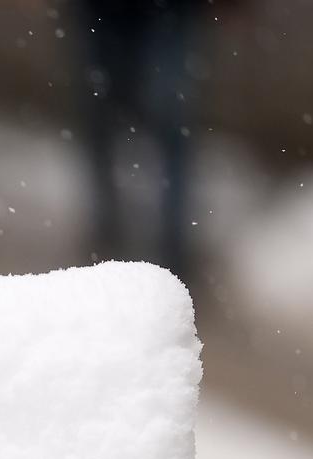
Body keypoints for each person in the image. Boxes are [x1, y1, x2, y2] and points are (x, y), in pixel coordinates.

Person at [72, 0, 207, 278]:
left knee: (169, 121)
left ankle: (172, 247)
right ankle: (110, 237)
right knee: (102, 118)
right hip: (106, 12)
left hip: (169, 13)